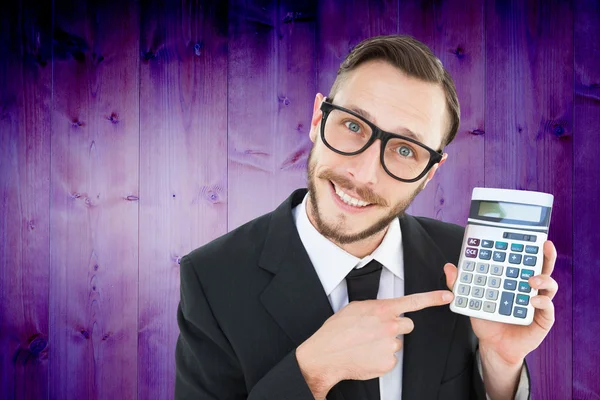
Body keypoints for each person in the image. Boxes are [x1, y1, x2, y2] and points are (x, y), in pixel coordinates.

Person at [174, 35, 558, 400]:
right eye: (353, 125)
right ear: (316, 119)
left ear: (430, 173)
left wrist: (501, 364)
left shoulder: (464, 262)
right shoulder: (212, 278)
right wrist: (312, 371)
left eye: (405, 150)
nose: (363, 174)